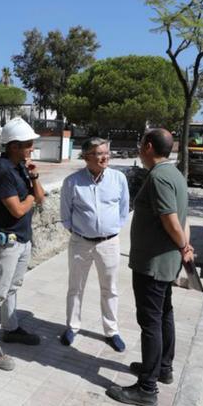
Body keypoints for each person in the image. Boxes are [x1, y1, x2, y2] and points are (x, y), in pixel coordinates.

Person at [107, 128, 193, 406]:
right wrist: (185, 248)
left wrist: (183, 247)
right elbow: (184, 217)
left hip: (153, 263)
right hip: (165, 262)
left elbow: (171, 219)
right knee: (164, 314)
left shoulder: (159, 177)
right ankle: (161, 368)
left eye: (140, 144)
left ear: (147, 146)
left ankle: (147, 389)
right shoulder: (176, 174)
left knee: (150, 322)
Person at [0, 117, 46, 371]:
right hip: (7, 241)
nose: (32, 147)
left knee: (13, 287)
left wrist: (35, 177)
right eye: (28, 143)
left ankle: (11, 329)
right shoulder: (2, 171)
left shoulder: (20, 167)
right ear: (13, 145)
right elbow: (19, 209)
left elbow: (40, 196)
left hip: (22, 239)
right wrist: (31, 195)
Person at [59, 138, 130, 352]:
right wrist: (82, 232)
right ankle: (72, 326)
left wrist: (109, 230)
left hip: (109, 243)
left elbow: (124, 209)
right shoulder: (72, 182)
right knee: (75, 287)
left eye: (107, 152)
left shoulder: (119, 178)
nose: (105, 157)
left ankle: (111, 331)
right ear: (87, 157)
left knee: (110, 288)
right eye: (99, 153)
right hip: (80, 243)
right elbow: (65, 214)